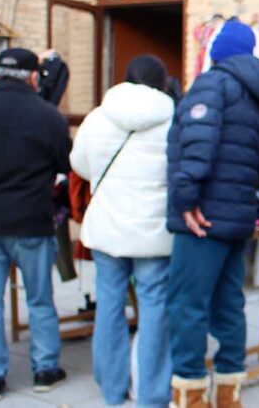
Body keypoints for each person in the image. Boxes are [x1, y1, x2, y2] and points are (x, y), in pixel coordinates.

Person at [165, 21, 259, 408]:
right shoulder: (257, 96)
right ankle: (229, 395)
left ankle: (191, 395)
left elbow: (197, 148)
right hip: (237, 215)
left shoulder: (212, 84)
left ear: (217, 50)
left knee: (187, 305)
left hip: (203, 216)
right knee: (228, 303)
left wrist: (186, 201)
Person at [0, 48, 70, 401]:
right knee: (40, 298)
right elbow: (63, 165)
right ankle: (44, 370)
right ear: (34, 76)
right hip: (30, 220)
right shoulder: (47, 116)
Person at [70, 54, 175, 408]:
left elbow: (80, 166)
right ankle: (152, 394)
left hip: (108, 230)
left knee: (109, 306)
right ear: (163, 83)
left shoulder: (98, 118)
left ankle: (113, 390)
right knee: (154, 309)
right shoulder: (173, 119)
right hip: (154, 234)